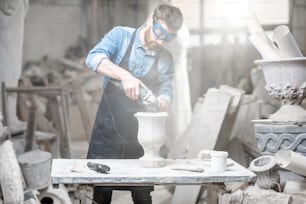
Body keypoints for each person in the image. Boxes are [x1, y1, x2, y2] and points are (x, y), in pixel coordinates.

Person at [85, 3, 183, 204]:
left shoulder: (165, 58)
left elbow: (166, 86)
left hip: (141, 137)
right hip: (108, 130)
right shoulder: (120, 36)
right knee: (101, 191)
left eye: (168, 37)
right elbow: (93, 58)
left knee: (142, 193)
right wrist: (124, 76)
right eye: (159, 32)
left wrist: (165, 99)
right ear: (150, 20)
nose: (160, 40)